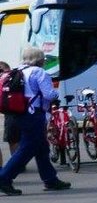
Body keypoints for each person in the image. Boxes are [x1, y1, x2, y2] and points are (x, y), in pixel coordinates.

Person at [0, 47, 72, 195]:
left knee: (42, 147)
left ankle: (50, 179)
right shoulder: (39, 72)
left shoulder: (18, 70)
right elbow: (49, 94)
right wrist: (56, 94)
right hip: (34, 114)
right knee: (27, 148)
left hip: (18, 112)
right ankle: (4, 178)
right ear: (39, 59)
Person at [1, 61, 20, 158]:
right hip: (23, 111)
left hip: (10, 112)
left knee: (13, 140)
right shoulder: (17, 75)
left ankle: (16, 162)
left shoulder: (5, 78)